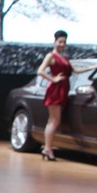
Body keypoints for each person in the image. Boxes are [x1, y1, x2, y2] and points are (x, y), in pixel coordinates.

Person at [37, 29, 72, 162]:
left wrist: (95, 67)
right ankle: (47, 148)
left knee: (54, 120)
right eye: (60, 41)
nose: (62, 44)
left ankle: (48, 148)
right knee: (54, 120)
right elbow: (40, 71)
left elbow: (75, 69)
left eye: (64, 42)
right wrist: (53, 79)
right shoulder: (51, 56)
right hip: (55, 90)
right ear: (55, 41)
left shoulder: (64, 57)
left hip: (63, 89)